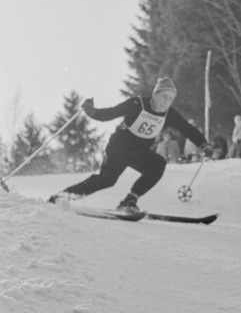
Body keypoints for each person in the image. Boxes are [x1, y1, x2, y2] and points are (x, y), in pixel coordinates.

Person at [49, 77, 212, 212]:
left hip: (138, 152)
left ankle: (129, 201)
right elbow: (111, 113)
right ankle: (63, 196)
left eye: (170, 99)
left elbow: (188, 129)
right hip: (119, 146)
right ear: (155, 94)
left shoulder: (170, 114)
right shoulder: (137, 104)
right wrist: (93, 111)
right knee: (108, 180)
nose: (166, 102)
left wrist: (203, 144)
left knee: (158, 164)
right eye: (164, 97)